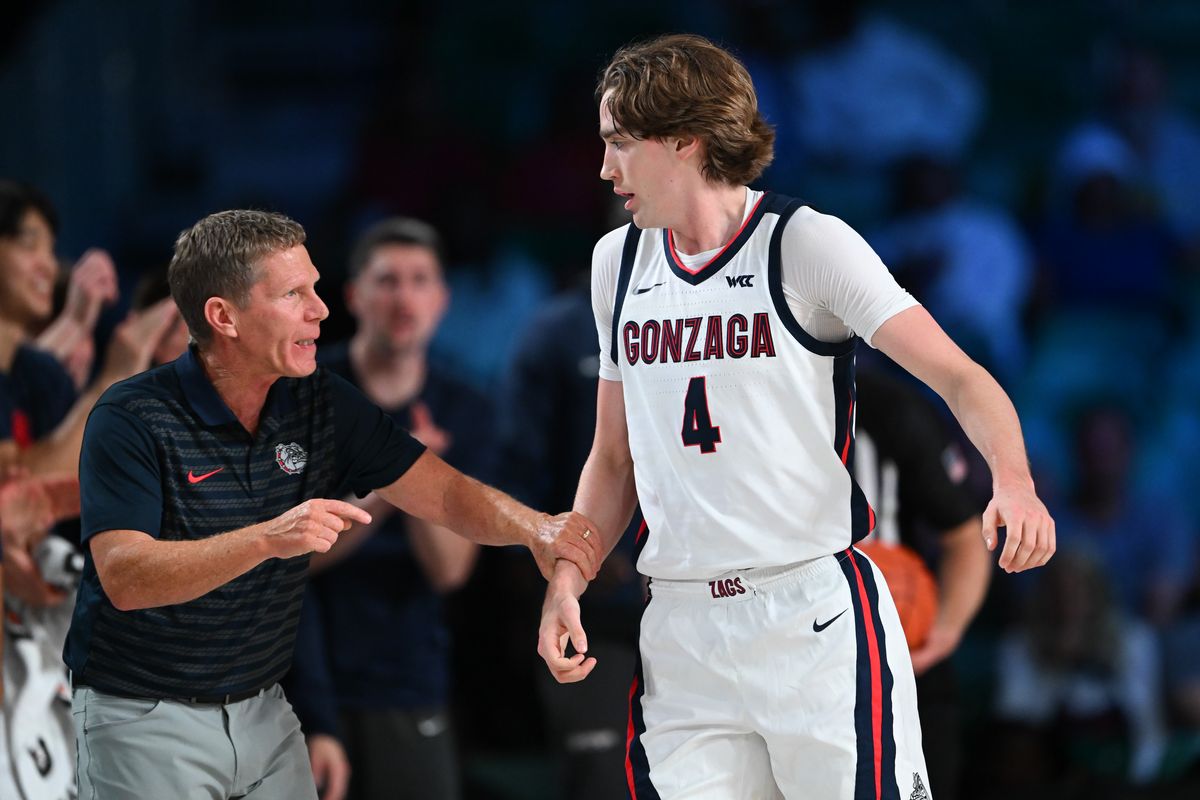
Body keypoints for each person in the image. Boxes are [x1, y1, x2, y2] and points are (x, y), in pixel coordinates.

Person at [537, 34, 1055, 799]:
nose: (605, 168)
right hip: (680, 627)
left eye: (620, 143)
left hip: (807, 616)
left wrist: (1013, 481)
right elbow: (612, 458)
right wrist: (568, 577)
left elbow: (960, 375)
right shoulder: (616, 262)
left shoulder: (805, 243)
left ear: (685, 140)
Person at [63, 209, 603, 800]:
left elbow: (444, 490)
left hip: (263, 708)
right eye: (294, 293)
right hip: (143, 714)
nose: (320, 309)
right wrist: (269, 537)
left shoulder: (319, 398)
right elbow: (125, 577)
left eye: (316, 288)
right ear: (224, 317)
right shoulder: (130, 416)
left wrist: (537, 530)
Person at [286, 217, 490, 800]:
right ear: (352, 296)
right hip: (297, 674)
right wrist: (404, 474)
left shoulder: (465, 405)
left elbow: (451, 570)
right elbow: (291, 558)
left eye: (420, 280)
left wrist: (410, 483)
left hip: (409, 676)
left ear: (442, 299)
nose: (404, 297)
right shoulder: (302, 391)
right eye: (387, 280)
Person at [853, 368, 990, 800]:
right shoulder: (740, 404)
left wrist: (942, 634)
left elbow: (966, 535)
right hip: (783, 648)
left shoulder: (892, 409)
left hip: (894, 644)